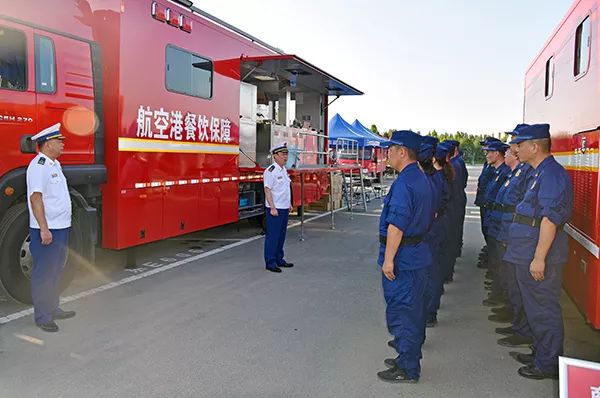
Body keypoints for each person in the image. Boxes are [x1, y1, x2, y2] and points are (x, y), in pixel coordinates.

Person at [503, 123, 573, 380]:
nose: (515, 148)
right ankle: (541, 352)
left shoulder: (552, 175)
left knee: (543, 309)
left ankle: (549, 364)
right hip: (525, 252)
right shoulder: (537, 172)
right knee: (534, 307)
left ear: (534, 146)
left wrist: (539, 258)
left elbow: (549, 220)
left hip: (538, 255)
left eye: (519, 144)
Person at [376, 131, 435, 383]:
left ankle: (408, 368)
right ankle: (406, 357)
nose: (387, 154)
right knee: (414, 311)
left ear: (403, 151)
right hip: (417, 254)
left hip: (404, 258)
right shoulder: (421, 178)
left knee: (403, 312)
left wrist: (389, 259)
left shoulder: (405, 182)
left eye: (391, 149)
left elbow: (396, 226)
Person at [26, 123, 76, 332]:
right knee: (44, 273)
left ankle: (53, 308)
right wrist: (44, 229)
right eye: (59, 141)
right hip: (47, 230)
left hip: (61, 227)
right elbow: (35, 199)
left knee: (56, 270)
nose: (63, 145)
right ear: (47, 145)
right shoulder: (38, 166)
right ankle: (43, 316)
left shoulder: (54, 165)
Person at [263, 142, 294, 273]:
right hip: (275, 208)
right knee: (273, 236)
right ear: (275, 156)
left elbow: (285, 189)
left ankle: (279, 259)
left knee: (281, 235)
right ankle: (270, 262)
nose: (285, 157)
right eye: (282, 154)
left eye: (286, 154)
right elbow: (267, 190)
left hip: (284, 207)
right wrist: (272, 207)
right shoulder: (270, 171)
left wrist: (289, 204)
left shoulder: (283, 170)